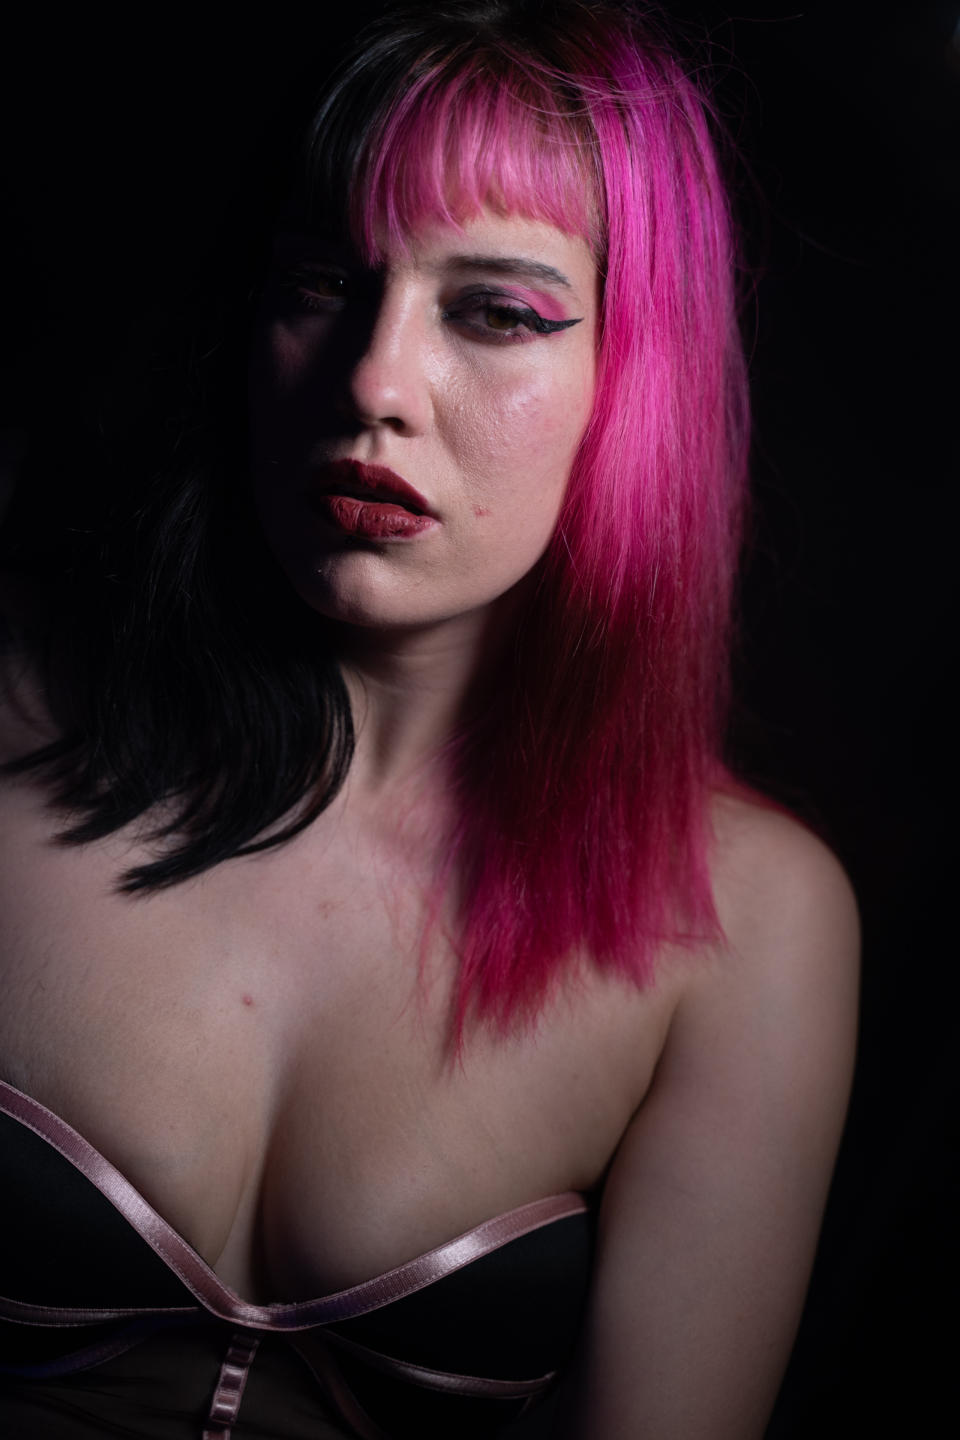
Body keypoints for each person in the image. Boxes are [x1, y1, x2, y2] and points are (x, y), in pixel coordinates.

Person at [0, 2, 859, 1436]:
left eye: (496, 312)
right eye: (322, 281)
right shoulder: (21, 716)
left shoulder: (748, 924)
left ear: (633, 381)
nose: (375, 382)